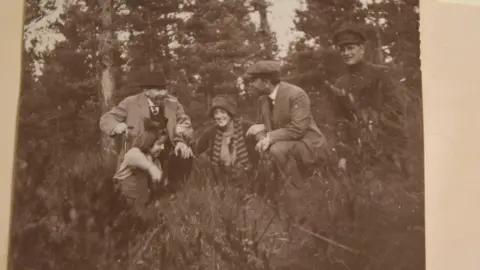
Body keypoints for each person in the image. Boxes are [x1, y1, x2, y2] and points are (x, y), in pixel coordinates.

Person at [330, 24, 408, 175]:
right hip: (355, 151)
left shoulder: (381, 74)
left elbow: (397, 108)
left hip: (387, 146)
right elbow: (340, 120)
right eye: (342, 49)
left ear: (361, 49)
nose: (346, 53)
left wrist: (374, 125)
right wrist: (343, 155)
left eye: (350, 48)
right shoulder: (340, 84)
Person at [99, 71, 194, 193]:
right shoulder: (131, 102)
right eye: (157, 89)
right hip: (140, 151)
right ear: (146, 91)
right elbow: (106, 119)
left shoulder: (172, 103)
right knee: (137, 193)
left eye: (164, 89)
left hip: (166, 150)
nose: (163, 93)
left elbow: (185, 123)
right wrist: (117, 126)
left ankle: (175, 193)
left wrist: (182, 141)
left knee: (185, 152)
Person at [242, 60, 327, 183]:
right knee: (254, 135)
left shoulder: (296, 94)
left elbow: (298, 128)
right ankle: (264, 183)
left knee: (276, 149)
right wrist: (261, 127)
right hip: (288, 140)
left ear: (266, 82)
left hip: (308, 143)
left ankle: (296, 190)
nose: (251, 84)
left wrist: (269, 137)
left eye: (254, 81)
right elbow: (276, 121)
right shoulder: (263, 99)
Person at [195, 94, 261, 184]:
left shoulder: (246, 127)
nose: (219, 116)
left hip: (247, 176)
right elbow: (197, 150)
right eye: (215, 113)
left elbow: (262, 136)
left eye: (222, 112)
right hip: (223, 179)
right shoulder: (210, 133)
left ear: (230, 113)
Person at [113, 119, 168, 222]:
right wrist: (153, 169)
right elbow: (146, 165)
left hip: (141, 206)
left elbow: (158, 189)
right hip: (122, 206)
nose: (162, 148)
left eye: (163, 145)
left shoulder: (156, 162)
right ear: (149, 142)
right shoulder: (133, 154)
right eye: (159, 144)